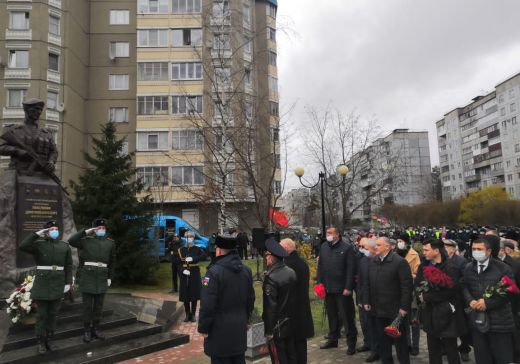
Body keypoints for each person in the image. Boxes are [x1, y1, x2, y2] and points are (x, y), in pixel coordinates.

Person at [198, 235, 255, 364]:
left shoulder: (213, 272)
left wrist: (203, 327)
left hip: (219, 330)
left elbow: (207, 303)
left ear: (218, 251)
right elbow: (250, 298)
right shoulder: (246, 270)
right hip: (239, 327)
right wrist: (247, 318)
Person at [19, 221, 72, 354]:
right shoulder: (38, 244)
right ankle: (41, 342)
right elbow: (23, 246)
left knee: (53, 314)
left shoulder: (64, 246)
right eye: (51, 229)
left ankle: (50, 339)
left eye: (56, 228)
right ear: (46, 232)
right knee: (42, 315)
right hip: (42, 284)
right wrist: (37, 234)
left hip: (58, 283)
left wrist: (67, 283)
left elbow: (69, 266)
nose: (54, 231)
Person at [462, 236, 515, 364]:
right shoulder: (469, 268)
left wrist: (487, 303)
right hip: (478, 322)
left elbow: (509, 292)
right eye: (474, 249)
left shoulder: (502, 268)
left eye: (479, 249)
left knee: (503, 358)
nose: (476, 252)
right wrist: (470, 300)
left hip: (500, 322)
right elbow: (464, 286)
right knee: (482, 358)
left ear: (489, 251)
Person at [363, 236, 412, 364]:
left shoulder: (399, 262)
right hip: (378, 309)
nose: (375, 247)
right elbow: (367, 283)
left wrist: (404, 307)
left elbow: (406, 287)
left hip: (395, 310)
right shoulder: (373, 261)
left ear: (388, 247)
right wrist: (366, 300)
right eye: (376, 245)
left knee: (400, 342)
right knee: (383, 341)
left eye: (379, 245)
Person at [416, 239, 466, 364]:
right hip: (429, 313)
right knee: (433, 349)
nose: (423, 252)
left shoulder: (450, 267)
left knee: (450, 349)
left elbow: (452, 291)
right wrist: (420, 294)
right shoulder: (423, 266)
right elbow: (417, 284)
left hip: (446, 314)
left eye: (426, 250)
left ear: (436, 250)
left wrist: (427, 297)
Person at [69, 218, 116, 343]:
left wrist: (110, 277)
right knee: (87, 306)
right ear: (94, 229)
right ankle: (86, 331)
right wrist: (86, 231)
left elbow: (112, 262)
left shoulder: (110, 243)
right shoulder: (85, 240)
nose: (101, 230)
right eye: (98, 228)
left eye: (103, 228)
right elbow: (71, 241)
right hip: (88, 276)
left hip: (102, 277)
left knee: (99, 306)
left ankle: (96, 329)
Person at [317, 227, 358, 355]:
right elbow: (321, 267)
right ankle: (333, 339)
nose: (327, 235)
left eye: (330, 233)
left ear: (337, 235)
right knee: (332, 315)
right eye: (327, 233)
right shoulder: (324, 246)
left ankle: (351, 343)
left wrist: (348, 287)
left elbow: (351, 269)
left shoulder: (347, 248)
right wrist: (319, 284)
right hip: (328, 288)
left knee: (347, 317)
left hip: (342, 290)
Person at [263, 238, 297, 364]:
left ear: (272, 258)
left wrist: (269, 330)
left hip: (277, 327)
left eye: (267, 255)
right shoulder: (291, 272)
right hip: (290, 322)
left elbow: (270, 307)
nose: (266, 258)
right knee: (291, 355)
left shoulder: (271, 278)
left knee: (278, 358)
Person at [280, 238, 314, 364]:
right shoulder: (302, 263)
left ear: (287, 248)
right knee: (301, 345)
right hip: (302, 309)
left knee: (292, 347)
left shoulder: (287, 265)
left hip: (291, 311)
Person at [444, 239, 472, 362]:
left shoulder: (462, 261)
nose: (443, 249)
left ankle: (464, 349)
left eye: (446, 247)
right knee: (447, 326)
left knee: (462, 327)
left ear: (453, 249)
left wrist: (453, 285)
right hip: (445, 299)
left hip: (459, 299)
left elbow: (465, 279)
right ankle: (447, 348)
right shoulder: (442, 260)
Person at [396, 234, 421, 356]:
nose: (399, 243)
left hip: (411, 290)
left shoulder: (414, 255)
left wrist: (408, 275)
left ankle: (415, 346)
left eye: (401, 241)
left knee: (414, 321)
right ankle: (407, 344)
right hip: (398, 291)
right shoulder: (395, 254)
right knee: (403, 320)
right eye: (397, 241)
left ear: (406, 242)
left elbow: (418, 274)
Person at [498, 239, 520, 362]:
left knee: (514, 334)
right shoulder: (491, 263)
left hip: (513, 306)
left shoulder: (516, 264)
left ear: (503, 250)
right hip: (496, 306)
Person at [358, 238, 380, 363]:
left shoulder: (378, 261)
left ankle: (377, 350)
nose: (363, 251)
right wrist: (361, 299)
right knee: (367, 325)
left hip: (378, 299)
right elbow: (361, 281)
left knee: (377, 327)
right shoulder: (363, 261)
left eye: (366, 249)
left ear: (373, 249)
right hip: (365, 299)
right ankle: (371, 346)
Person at [178, 230, 207, 322]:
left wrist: (194, 258)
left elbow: (204, 256)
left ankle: (193, 314)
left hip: (194, 272)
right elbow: (177, 263)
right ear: (185, 238)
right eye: (188, 237)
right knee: (185, 294)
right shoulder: (181, 250)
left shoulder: (197, 248)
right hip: (184, 273)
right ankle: (187, 314)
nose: (190, 239)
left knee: (194, 293)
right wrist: (183, 271)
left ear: (194, 238)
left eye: (191, 237)